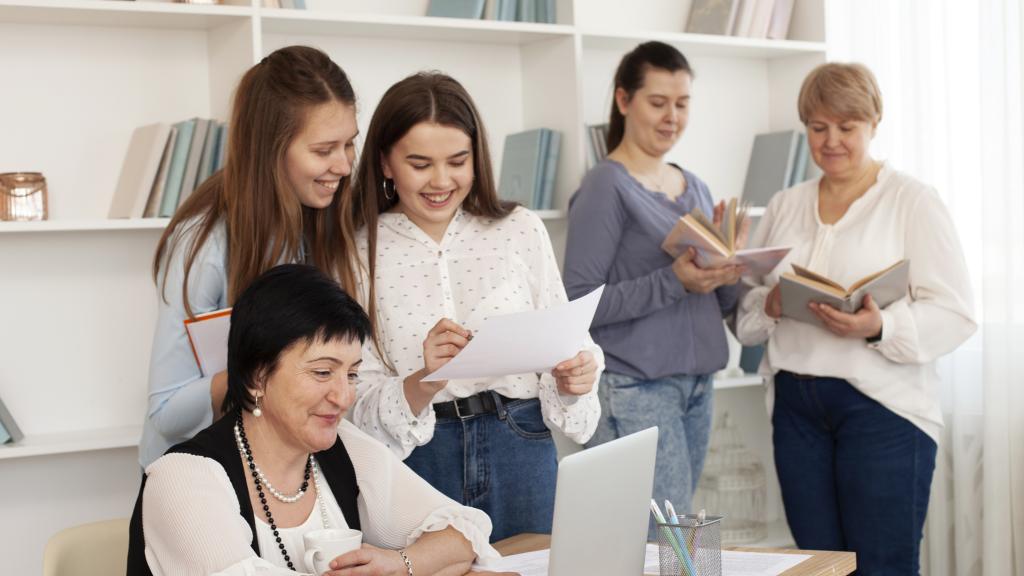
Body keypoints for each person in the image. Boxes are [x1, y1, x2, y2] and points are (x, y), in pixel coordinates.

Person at [735, 62, 976, 574]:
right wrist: (772, 304)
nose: (832, 141)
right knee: (819, 566)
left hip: (882, 408)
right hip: (797, 409)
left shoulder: (913, 201)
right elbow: (747, 313)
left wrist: (880, 326)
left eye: (847, 127)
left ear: (874, 123)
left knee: (882, 565)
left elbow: (955, 311)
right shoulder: (785, 204)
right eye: (818, 128)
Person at [348, 72, 603, 542]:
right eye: (419, 163)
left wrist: (576, 378)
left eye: (458, 161)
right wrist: (424, 381)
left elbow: (570, 343)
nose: (441, 181)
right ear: (385, 162)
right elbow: (353, 401)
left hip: (521, 444)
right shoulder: (355, 250)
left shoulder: (519, 229)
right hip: (419, 460)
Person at [127, 264, 500, 575]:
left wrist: (399, 564)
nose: (343, 397)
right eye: (323, 373)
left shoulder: (345, 447)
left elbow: (464, 530)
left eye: (351, 374)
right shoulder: (181, 476)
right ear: (258, 375)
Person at [140, 46, 363, 469]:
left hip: (278, 469)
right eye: (323, 150)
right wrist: (265, 375)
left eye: (349, 144)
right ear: (270, 149)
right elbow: (166, 412)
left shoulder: (321, 223)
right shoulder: (203, 244)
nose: (344, 165)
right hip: (195, 475)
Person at [562, 41, 744, 536]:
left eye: (682, 104)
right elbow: (579, 305)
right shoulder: (606, 186)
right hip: (633, 387)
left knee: (677, 536)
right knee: (676, 542)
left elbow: (718, 302)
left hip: (697, 385)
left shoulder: (696, 187)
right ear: (624, 101)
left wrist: (730, 270)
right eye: (658, 102)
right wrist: (674, 280)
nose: (672, 117)